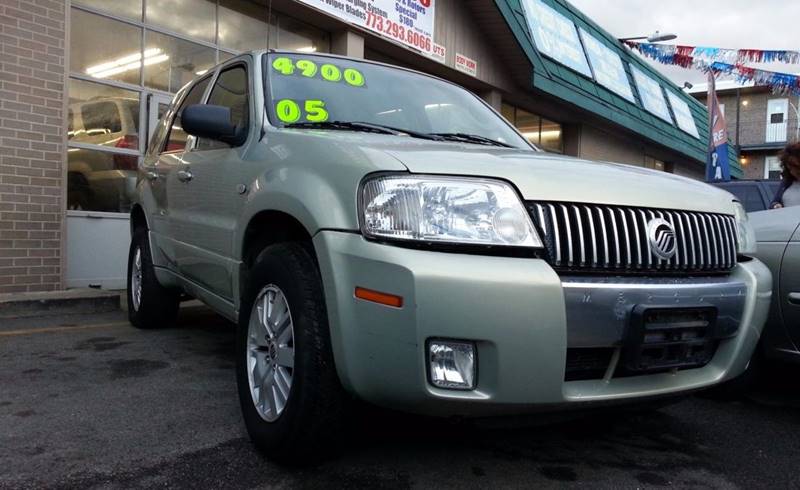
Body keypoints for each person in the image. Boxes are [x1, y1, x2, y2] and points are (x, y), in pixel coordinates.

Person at [770, 142, 800, 209]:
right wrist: (776, 205)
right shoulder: (786, 182)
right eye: (789, 169)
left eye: (796, 167)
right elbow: (774, 202)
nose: (792, 172)